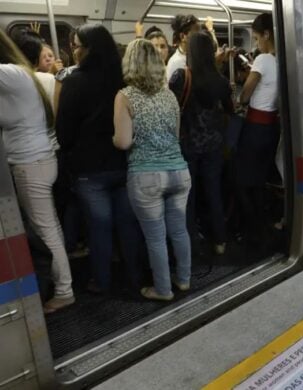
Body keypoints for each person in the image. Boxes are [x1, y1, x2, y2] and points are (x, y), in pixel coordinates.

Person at [56, 24, 144, 293]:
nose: (74, 51)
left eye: (77, 46)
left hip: (88, 169)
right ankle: (135, 277)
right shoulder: (125, 79)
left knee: (99, 228)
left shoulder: (73, 82)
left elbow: (64, 131)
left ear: (89, 49)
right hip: (122, 162)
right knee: (127, 225)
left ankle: (102, 282)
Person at [0, 29, 74, 313]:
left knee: (46, 232)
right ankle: (63, 285)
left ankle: (65, 290)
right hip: (39, 160)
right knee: (49, 229)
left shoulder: (13, 75)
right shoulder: (24, 77)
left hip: (31, 164)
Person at [114, 39, 192, 300]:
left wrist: (114, 139)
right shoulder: (169, 95)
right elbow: (176, 135)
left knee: (156, 238)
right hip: (179, 172)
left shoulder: (125, 96)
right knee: (179, 231)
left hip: (146, 176)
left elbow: (123, 142)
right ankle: (183, 279)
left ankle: (162, 289)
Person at [169, 31, 233, 255]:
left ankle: (191, 243)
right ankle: (220, 241)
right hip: (214, 145)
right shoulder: (221, 81)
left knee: (188, 196)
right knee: (214, 191)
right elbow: (230, 110)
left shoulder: (180, 76)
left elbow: (171, 109)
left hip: (188, 145)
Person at [236, 13, 280, 246]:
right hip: (271, 128)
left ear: (267, 34)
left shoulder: (263, 60)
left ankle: (251, 227)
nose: (256, 44)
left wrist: (241, 97)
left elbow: (245, 94)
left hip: (254, 129)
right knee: (260, 179)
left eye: (256, 38)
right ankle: (262, 223)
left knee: (242, 179)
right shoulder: (281, 60)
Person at [166, 14, 200, 80]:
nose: (201, 37)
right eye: (196, 35)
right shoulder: (177, 62)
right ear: (182, 36)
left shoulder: (192, 57)